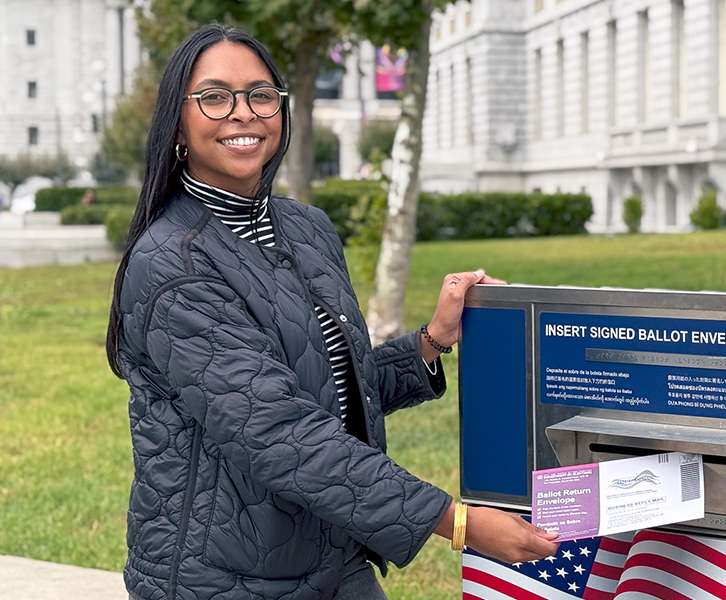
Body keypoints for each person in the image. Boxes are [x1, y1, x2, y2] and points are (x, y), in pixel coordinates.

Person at [104, 24, 558, 600]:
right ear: (177, 123)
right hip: (221, 576)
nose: (242, 113)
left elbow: (324, 390)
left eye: (260, 95)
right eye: (215, 97)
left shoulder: (306, 228)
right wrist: (456, 522)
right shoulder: (172, 264)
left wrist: (431, 342)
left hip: (333, 552)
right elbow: (277, 430)